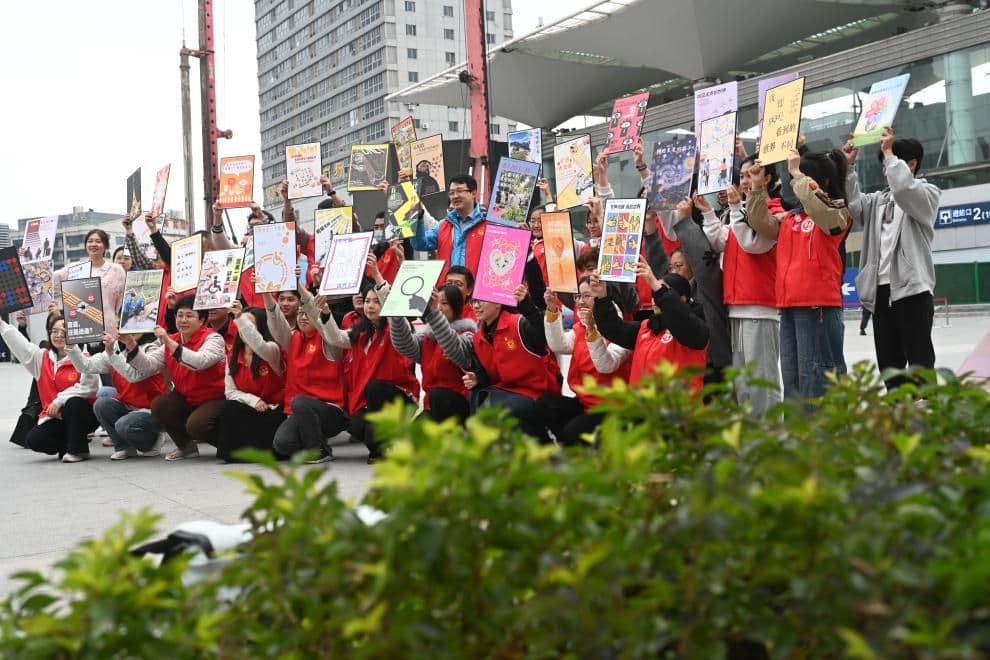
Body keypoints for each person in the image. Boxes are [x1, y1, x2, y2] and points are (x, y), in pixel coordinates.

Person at [748, 149, 851, 400]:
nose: (795, 186)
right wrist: (757, 187)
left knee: (817, 377)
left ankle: (825, 434)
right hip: (789, 307)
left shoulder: (836, 213)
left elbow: (823, 212)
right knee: (793, 381)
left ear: (822, 181)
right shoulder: (790, 219)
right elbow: (759, 221)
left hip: (818, 308)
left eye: (802, 179)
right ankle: (797, 434)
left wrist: (795, 173)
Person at [844, 127, 940, 389]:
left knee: (919, 361)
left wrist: (889, 152)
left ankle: (924, 417)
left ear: (911, 164)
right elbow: (853, 205)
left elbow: (905, 190)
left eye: (890, 163)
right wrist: (849, 167)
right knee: (889, 364)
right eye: (884, 164)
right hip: (881, 290)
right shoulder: (878, 201)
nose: (885, 169)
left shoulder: (926, 194)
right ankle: (897, 416)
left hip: (912, 288)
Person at [310, 256, 421, 462]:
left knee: (375, 388)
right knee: (356, 425)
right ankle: (388, 442)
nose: (370, 306)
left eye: (376, 301)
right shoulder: (361, 332)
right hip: (370, 402)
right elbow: (335, 337)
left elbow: (395, 310)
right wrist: (325, 311)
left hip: (400, 398)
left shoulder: (396, 327)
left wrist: (377, 274)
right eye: (367, 301)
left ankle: (381, 451)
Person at [701, 159, 786, 414]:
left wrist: (737, 208)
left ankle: (770, 439)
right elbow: (720, 240)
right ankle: (750, 438)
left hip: (760, 307)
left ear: (767, 178)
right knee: (742, 383)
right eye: (743, 176)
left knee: (762, 380)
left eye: (751, 175)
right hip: (736, 307)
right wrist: (707, 212)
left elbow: (753, 244)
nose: (744, 181)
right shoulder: (741, 213)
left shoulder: (772, 210)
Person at [127, 295, 227, 460]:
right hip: (186, 397)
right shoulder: (172, 340)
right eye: (180, 315)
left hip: (216, 398)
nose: (183, 320)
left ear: (202, 320)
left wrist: (167, 341)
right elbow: (148, 366)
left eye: (189, 316)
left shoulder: (213, 338)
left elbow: (199, 362)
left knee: (196, 425)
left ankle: (231, 446)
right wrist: (130, 344)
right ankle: (187, 448)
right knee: (160, 405)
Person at [460, 285, 561, 442]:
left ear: (498, 303)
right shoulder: (478, 337)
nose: (476, 305)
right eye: (473, 301)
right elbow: (491, 374)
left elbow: (543, 334)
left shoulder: (519, 324)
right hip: (504, 391)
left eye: (481, 300)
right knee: (475, 397)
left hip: (534, 392)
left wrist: (526, 304)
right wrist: (478, 377)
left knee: (497, 412)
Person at [591, 262, 710, 391]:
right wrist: (602, 296)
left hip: (679, 409)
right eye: (654, 293)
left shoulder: (695, 328)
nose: (655, 298)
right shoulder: (645, 327)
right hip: (644, 408)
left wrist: (657, 287)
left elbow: (682, 321)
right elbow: (612, 328)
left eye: (660, 291)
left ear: (682, 299)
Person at [539, 282, 632, 446]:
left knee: (572, 431)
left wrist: (591, 329)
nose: (580, 301)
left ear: (602, 298)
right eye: (578, 296)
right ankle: (571, 447)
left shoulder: (623, 331)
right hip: (585, 401)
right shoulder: (580, 327)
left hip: (611, 407)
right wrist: (552, 310)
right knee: (544, 405)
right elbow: (559, 346)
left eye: (587, 296)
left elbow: (606, 365)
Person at [1, 313, 100, 462]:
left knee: (74, 402)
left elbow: (89, 388)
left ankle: (79, 450)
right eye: (54, 331)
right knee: (34, 440)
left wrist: (59, 401)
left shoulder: (84, 357)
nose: (58, 335)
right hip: (54, 417)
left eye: (64, 332)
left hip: (83, 415)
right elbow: (22, 346)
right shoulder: (42, 357)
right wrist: (2, 324)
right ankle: (69, 442)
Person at [269, 285, 349, 463]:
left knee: (300, 401)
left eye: (307, 314)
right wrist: (266, 293)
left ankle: (319, 451)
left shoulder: (329, 340)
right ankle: (318, 441)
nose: (303, 317)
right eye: (300, 314)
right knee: (282, 444)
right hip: (301, 410)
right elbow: (276, 325)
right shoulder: (293, 339)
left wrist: (298, 284)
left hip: (331, 410)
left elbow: (320, 320)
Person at [67, 332, 166, 460]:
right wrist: (70, 345)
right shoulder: (117, 348)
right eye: (125, 324)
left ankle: (152, 441)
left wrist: (113, 353)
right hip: (128, 406)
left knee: (123, 424)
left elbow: (134, 376)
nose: (131, 330)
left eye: (136, 325)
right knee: (101, 404)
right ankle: (124, 447)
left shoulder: (152, 349)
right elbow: (86, 366)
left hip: (152, 409)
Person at [390, 283, 475, 424]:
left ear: (457, 306)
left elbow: (453, 347)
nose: (439, 307)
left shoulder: (467, 335)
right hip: (431, 404)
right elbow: (404, 344)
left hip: (458, 403)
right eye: (435, 303)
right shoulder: (428, 338)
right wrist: (397, 314)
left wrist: (434, 312)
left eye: (444, 303)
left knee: (439, 394)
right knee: (409, 440)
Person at [214, 307, 287, 462]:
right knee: (228, 408)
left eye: (249, 324)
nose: (243, 328)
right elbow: (230, 392)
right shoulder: (233, 356)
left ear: (260, 327)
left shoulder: (272, 350)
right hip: (253, 407)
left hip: (274, 409)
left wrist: (239, 316)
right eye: (241, 323)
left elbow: (259, 345)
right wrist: (254, 401)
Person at [411, 174, 487, 278]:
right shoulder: (443, 225)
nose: (455, 196)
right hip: (447, 290)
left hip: (476, 290)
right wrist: (418, 217)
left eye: (460, 191)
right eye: (451, 193)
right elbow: (419, 244)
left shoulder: (488, 224)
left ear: (473, 193)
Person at [52, 229, 126, 334]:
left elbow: (121, 298)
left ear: (106, 245)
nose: (93, 244)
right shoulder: (75, 268)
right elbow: (52, 279)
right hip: (81, 328)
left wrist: (112, 313)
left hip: (108, 327)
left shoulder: (117, 270)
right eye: (90, 241)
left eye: (98, 241)